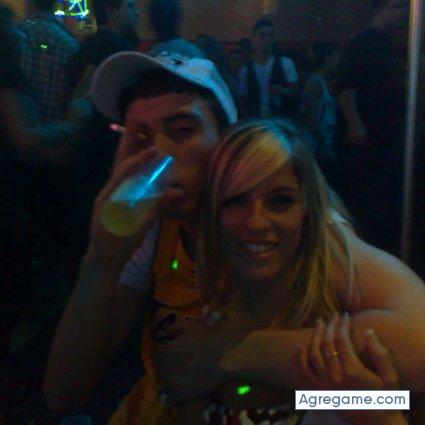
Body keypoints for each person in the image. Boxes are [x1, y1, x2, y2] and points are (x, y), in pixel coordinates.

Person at [151, 119, 424, 423]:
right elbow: (184, 388)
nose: (256, 222)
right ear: (213, 212)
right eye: (236, 199)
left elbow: (399, 390)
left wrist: (227, 357)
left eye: (280, 201)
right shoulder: (204, 310)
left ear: (308, 211)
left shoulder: (333, 278)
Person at [43, 49, 237, 424]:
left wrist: (259, 361)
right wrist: (100, 261)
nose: (158, 151)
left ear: (227, 141)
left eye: (183, 130)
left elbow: (363, 398)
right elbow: (64, 394)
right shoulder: (152, 232)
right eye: (139, 135)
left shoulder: (276, 225)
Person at [336, 0, 409, 254]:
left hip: (384, 135)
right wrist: (355, 124)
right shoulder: (364, 42)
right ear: (379, 9)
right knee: (369, 203)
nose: (403, 14)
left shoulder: (388, 44)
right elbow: (345, 87)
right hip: (369, 140)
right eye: (397, 7)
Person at [18, 0, 78, 124]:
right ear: (55, 4)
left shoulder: (14, 36)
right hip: (55, 130)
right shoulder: (70, 44)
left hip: (13, 128)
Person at [72, 0, 140, 97]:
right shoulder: (117, 51)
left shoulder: (88, 44)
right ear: (111, 12)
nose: (137, 12)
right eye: (130, 6)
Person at [238, 19, 300, 119]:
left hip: (281, 119)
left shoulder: (286, 63)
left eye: (270, 35)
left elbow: (296, 92)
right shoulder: (245, 70)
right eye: (262, 35)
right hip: (257, 121)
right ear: (253, 40)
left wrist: (283, 91)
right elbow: (243, 100)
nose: (267, 39)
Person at [304, 42, 340, 179]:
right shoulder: (315, 83)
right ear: (328, 59)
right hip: (317, 145)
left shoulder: (325, 82)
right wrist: (321, 144)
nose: (338, 61)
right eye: (335, 57)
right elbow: (310, 118)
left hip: (326, 142)